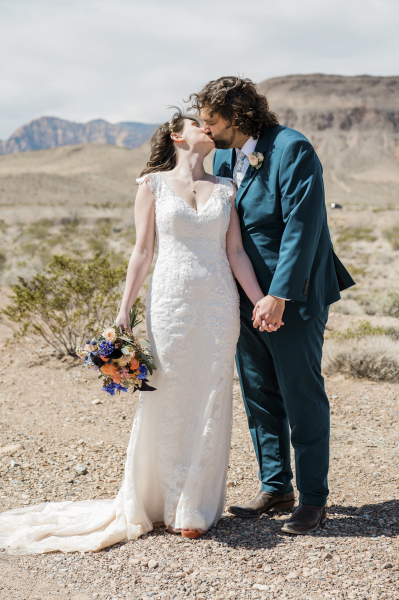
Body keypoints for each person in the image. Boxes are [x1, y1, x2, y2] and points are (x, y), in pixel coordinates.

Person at [0, 108, 268, 553]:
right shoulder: (153, 186)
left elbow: (236, 251)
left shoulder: (227, 187)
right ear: (177, 138)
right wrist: (124, 309)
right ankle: (156, 498)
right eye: (197, 124)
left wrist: (258, 299)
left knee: (211, 394)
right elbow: (142, 252)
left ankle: (195, 507)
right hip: (170, 302)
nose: (207, 128)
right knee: (168, 393)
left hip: (219, 303)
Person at [188, 77, 355, 535]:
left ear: (239, 117)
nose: (206, 128)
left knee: (300, 392)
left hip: (292, 295)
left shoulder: (292, 149)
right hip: (242, 294)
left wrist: (280, 295)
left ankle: (314, 499)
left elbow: (304, 226)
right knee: (258, 390)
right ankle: (276, 485)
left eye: (212, 119)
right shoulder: (223, 155)